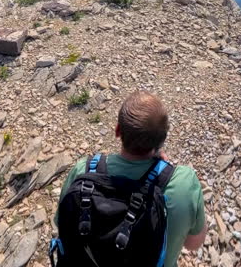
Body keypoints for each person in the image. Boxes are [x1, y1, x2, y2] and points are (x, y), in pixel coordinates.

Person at [53, 91, 206, 267]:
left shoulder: (84, 170)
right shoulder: (183, 184)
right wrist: (164, 172)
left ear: (118, 131)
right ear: (162, 140)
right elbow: (193, 244)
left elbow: (62, 225)